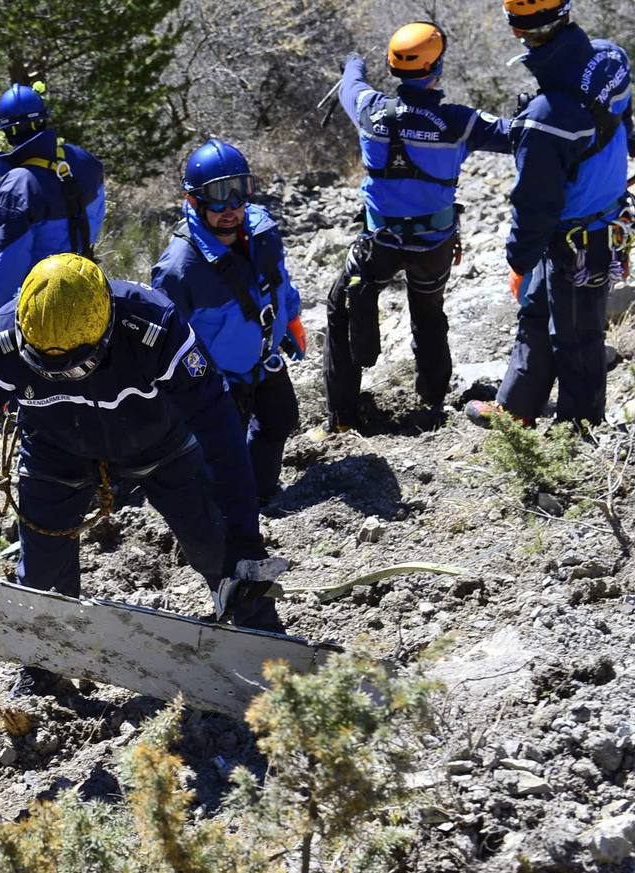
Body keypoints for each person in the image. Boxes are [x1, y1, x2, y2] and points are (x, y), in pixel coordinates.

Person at [0, 253, 284, 696]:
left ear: (107, 330)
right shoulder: (0, 343)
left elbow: (220, 430)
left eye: (76, 367)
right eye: (46, 367)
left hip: (161, 446)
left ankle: (268, 646)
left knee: (222, 552)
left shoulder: (154, 326)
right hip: (56, 452)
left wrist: (245, 536)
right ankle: (43, 671)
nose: (65, 377)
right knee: (42, 585)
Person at [323, 22, 512, 435]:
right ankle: (431, 404)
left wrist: (352, 63)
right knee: (428, 316)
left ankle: (342, 416)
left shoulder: (369, 108)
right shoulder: (458, 122)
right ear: (437, 67)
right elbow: (514, 136)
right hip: (433, 245)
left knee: (343, 304)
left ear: (393, 68)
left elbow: (349, 83)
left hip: (380, 243)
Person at [466, 0, 633, 429]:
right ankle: (516, 408)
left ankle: (579, 433)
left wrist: (519, 261)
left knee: (578, 339)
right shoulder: (610, 58)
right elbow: (623, 121)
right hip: (591, 227)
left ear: (516, 30)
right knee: (536, 314)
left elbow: (535, 204)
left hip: (580, 238)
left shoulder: (546, 118)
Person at [152, 140, 305, 504]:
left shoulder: (263, 233)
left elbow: (279, 281)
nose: (231, 207)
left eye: (240, 191)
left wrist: (292, 320)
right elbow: (164, 343)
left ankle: (262, 495)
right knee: (220, 456)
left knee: (280, 421)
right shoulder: (178, 269)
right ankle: (218, 520)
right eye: (218, 195)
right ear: (194, 200)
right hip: (218, 382)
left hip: (263, 361)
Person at [0, 84, 106, 325]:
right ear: (44, 119)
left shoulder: (18, 185)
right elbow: (96, 218)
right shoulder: (83, 160)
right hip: (87, 286)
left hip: (41, 305)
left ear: (7, 132)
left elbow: (10, 260)